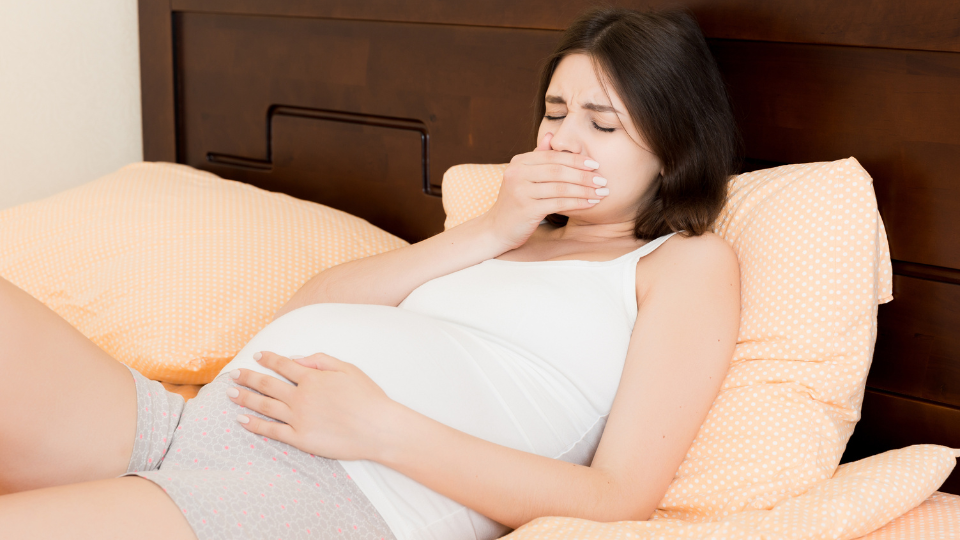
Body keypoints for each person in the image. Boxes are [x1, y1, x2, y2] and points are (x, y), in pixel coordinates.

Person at [0, 7, 741, 540]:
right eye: (554, 113)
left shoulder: (682, 265)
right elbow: (309, 304)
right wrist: (490, 229)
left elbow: (618, 499)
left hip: (324, 499)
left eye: (601, 124)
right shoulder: (504, 234)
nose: (562, 141)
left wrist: (379, 428)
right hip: (207, 425)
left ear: (672, 149)